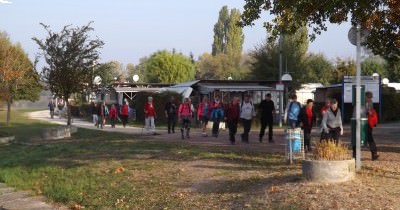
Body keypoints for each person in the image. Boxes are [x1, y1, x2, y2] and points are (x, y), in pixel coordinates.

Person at [364, 91, 379, 160]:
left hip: (368, 122)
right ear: (365, 97)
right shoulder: (361, 102)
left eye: (370, 98)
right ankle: (355, 155)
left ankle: (374, 153)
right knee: (358, 138)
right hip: (362, 121)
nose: (370, 99)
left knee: (370, 137)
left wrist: (370, 113)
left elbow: (371, 111)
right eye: (368, 97)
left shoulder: (370, 102)